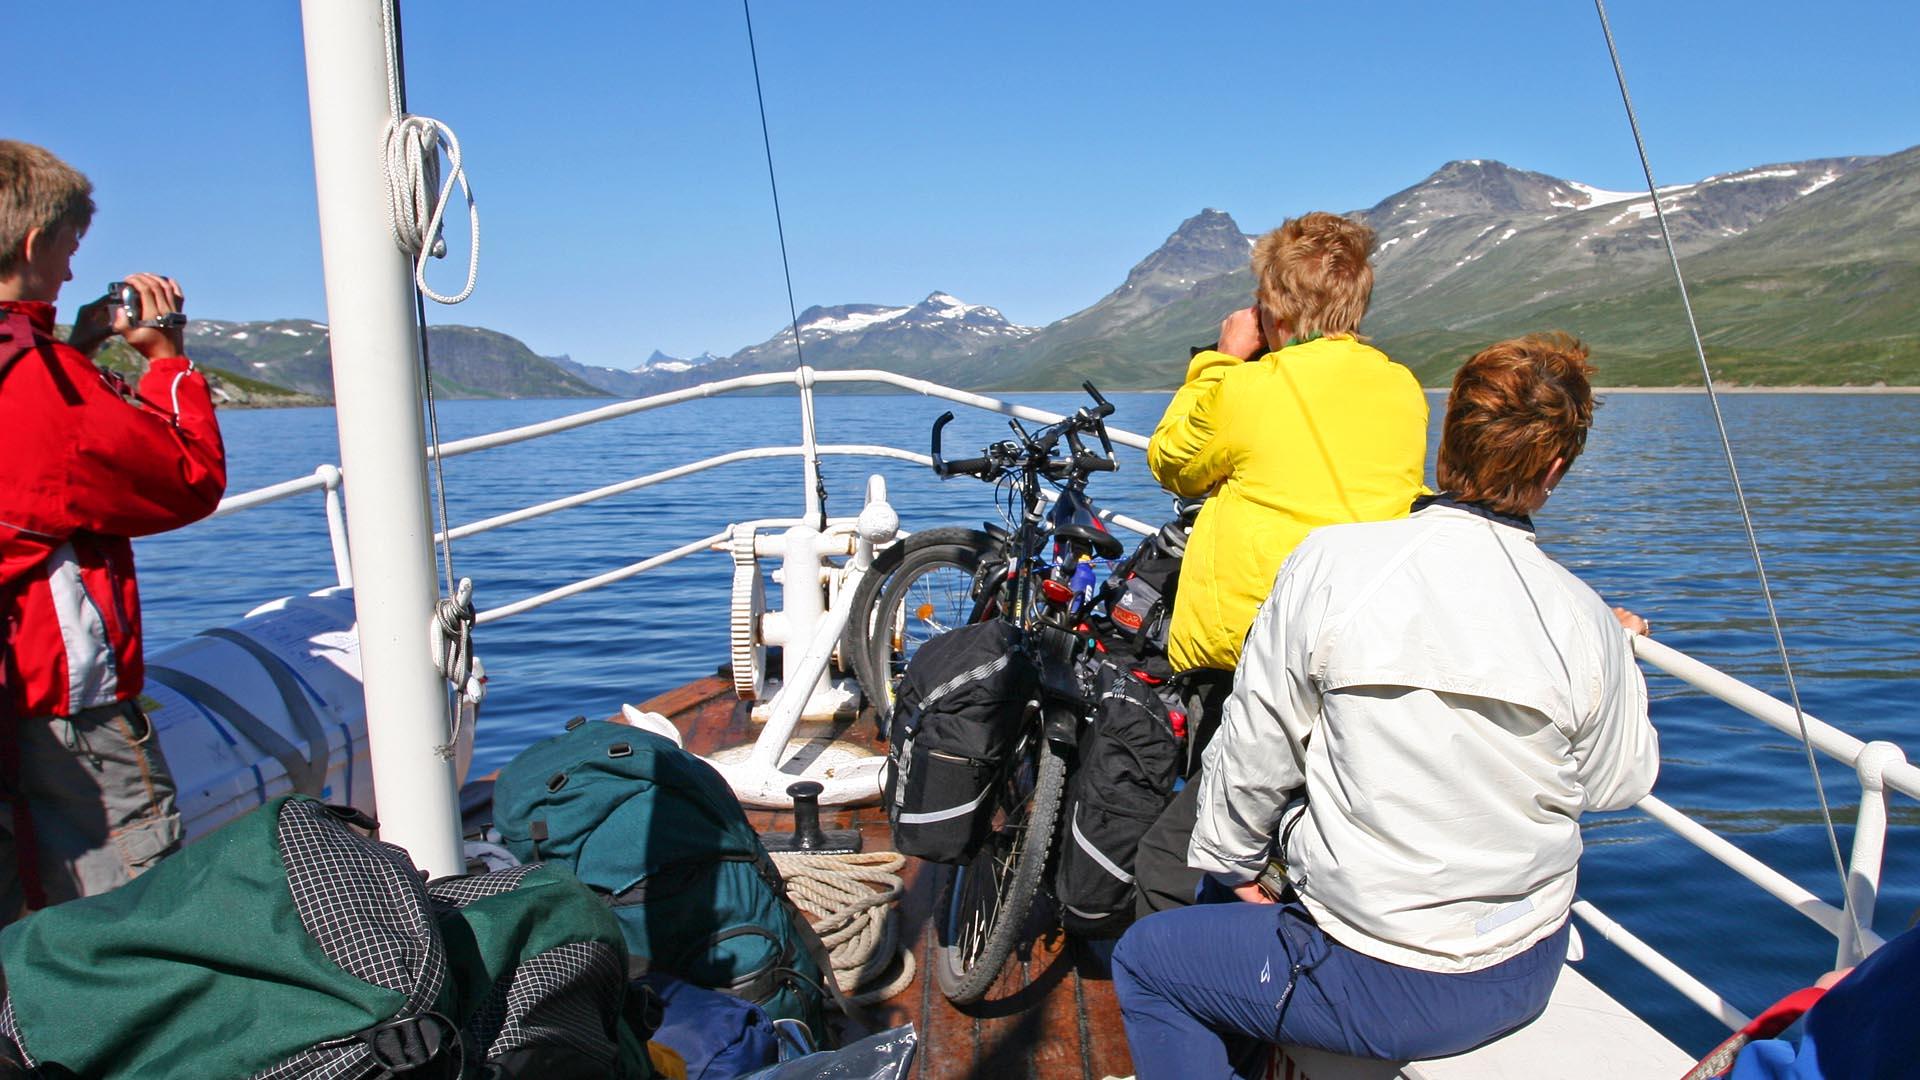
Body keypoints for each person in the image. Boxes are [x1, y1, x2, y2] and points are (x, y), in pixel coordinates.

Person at [1111, 334, 1660, 1076]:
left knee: (1149, 960)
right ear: (1555, 472)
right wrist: (1621, 656)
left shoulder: (1334, 566)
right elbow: (1616, 782)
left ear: (1446, 447)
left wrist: (1231, 859)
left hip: (1371, 978)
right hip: (1522, 967)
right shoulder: (1585, 618)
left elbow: (1256, 746)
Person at [1134, 211, 1428, 916]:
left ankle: (1204, 989)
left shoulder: (1247, 388)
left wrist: (1223, 359)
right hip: (1360, 654)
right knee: (1294, 839)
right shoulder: (1404, 390)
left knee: (1178, 867)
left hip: (1253, 659)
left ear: (1274, 304)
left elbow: (1172, 462)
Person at [0, 140, 226, 924]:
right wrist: (166, 361)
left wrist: (76, 348)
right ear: (34, 246)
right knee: (135, 905)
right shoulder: (39, 385)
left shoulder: (34, 370)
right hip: (57, 697)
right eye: (67, 252)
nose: (68, 275)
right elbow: (186, 478)